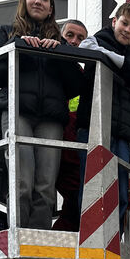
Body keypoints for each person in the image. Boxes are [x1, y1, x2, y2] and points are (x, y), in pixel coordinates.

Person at [0, 0, 82, 229]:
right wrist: (19, 49)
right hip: (18, 114)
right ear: (24, 1)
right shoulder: (7, 32)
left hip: (51, 120)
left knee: (46, 185)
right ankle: (18, 235)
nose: (38, 1)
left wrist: (59, 53)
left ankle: (39, 241)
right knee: (22, 181)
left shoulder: (59, 40)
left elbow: (76, 86)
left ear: (51, 8)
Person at [76, 3, 130, 234]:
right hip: (93, 126)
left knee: (121, 191)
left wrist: (123, 66)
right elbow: (86, 50)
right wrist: (125, 67)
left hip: (122, 134)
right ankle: (88, 236)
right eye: (124, 23)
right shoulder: (96, 40)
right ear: (114, 22)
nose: (127, 30)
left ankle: (113, 238)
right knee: (91, 187)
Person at [52, 20, 88, 231]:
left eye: (80, 38)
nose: (74, 41)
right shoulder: (50, 63)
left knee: (76, 202)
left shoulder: (83, 75)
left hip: (75, 152)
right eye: (70, 35)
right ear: (60, 36)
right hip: (53, 145)